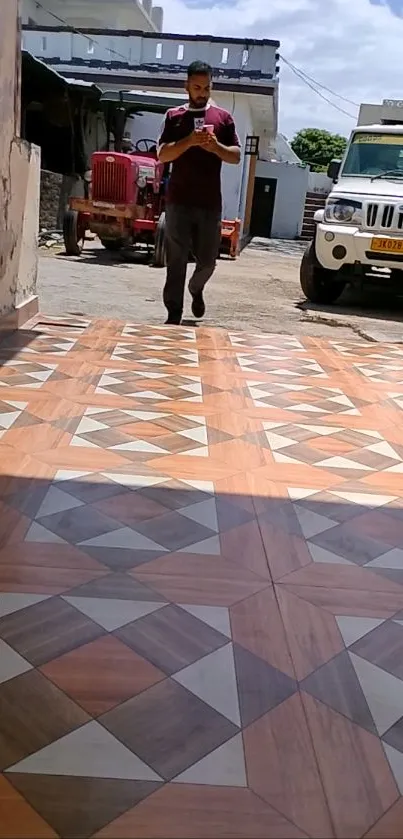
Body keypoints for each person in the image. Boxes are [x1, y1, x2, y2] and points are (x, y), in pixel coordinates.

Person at [157, 60, 241, 324]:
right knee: (176, 261)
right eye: (196, 87)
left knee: (208, 262)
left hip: (209, 204)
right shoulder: (174, 117)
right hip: (178, 201)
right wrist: (189, 141)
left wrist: (215, 147)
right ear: (186, 86)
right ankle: (173, 313)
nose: (202, 92)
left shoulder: (223, 118)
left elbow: (236, 156)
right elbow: (162, 154)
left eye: (206, 87)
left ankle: (196, 288)